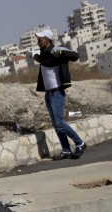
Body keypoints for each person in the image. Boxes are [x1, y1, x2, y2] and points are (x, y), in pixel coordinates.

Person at [32, 29, 86, 160]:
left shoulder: (57, 50)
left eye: (41, 39)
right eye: (38, 39)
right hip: (48, 94)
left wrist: (61, 53)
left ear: (48, 40)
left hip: (57, 92)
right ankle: (66, 150)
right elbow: (47, 63)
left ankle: (80, 143)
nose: (38, 42)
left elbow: (75, 56)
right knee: (56, 125)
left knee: (59, 123)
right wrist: (38, 59)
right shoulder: (44, 54)